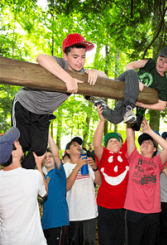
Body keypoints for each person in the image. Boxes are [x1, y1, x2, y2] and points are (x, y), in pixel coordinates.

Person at [12, 33, 107, 169]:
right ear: (65, 56)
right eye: (75, 57)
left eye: (83, 57)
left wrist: (94, 72)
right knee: (20, 145)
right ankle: (13, 175)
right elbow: (41, 57)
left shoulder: (81, 72)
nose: (79, 61)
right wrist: (67, 79)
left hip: (43, 114)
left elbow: (105, 76)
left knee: (39, 150)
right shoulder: (60, 64)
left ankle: (25, 176)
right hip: (25, 105)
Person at [124, 119, 167, 245]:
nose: (145, 144)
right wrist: (130, 121)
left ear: (153, 149)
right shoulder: (134, 157)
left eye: (149, 143)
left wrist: (150, 132)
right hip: (134, 211)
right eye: (142, 142)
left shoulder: (158, 162)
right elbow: (130, 135)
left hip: (153, 212)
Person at [0, 127, 48, 245]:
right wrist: (39, 165)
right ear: (13, 153)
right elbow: (44, 193)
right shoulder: (33, 176)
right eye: (17, 143)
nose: (21, 145)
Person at [96, 47, 167, 128]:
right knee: (131, 72)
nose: (161, 63)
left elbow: (162, 106)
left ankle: (98, 101)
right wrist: (137, 81)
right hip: (124, 83)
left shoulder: (163, 83)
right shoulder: (150, 63)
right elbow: (130, 65)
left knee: (115, 119)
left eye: (166, 62)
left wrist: (143, 105)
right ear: (158, 57)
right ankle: (128, 109)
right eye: (161, 59)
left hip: (129, 99)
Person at [93, 105, 129, 245]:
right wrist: (101, 121)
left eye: (117, 140)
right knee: (106, 236)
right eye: (111, 141)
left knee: (121, 235)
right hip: (105, 204)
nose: (114, 142)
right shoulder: (104, 155)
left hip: (124, 205)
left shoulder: (127, 154)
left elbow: (130, 135)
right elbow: (96, 144)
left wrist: (129, 117)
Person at [63, 136, 102, 245]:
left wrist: (95, 168)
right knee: (76, 243)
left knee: (90, 243)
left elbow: (98, 182)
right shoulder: (64, 167)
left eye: (79, 144)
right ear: (67, 151)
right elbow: (66, 187)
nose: (78, 146)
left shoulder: (88, 163)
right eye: (74, 144)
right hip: (73, 212)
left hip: (90, 211)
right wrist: (77, 167)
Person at [41, 134, 69, 245]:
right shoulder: (43, 177)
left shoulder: (59, 173)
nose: (49, 158)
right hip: (45, 224)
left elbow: (57, 154)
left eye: (50, 156)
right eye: (46, 158)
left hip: (59, 222)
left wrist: (48, 134)